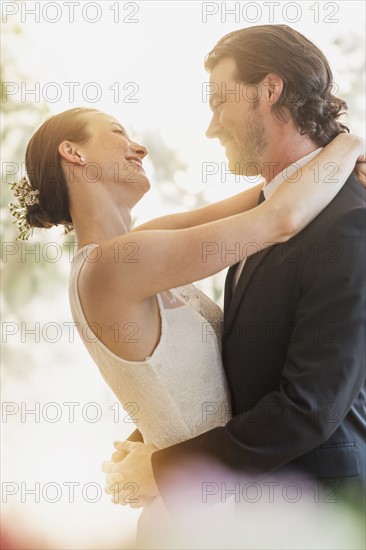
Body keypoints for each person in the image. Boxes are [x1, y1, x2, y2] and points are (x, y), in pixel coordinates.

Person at [98, 25, 366, 545]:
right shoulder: (268, 214)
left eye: (220, 101)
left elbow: (311, 406)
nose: (211, 127)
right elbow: (246, 367)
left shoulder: (346, 221)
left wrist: (167, 467)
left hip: (321, 509)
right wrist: (162, 427)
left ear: (270, 90)